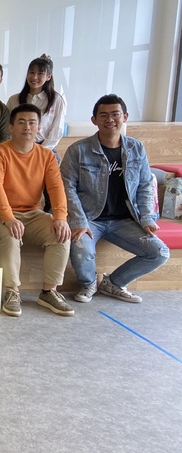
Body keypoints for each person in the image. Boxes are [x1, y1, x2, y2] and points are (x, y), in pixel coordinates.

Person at [60, 94, 169, 304]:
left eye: (115, 114)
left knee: (160, 252)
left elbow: (146, 185)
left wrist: (147, 218)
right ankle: (88, 283)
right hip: (89, 218)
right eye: (103, 115)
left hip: (125, 220)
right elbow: (67, 187)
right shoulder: (78, 150)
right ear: (94, 120)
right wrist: (79, 221)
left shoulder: (136, 148)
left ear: (125, 117)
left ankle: (114, 283)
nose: (110, 119)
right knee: (81, 250)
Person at [0, 104, 73, 317]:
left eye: (32, 123)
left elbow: (56, 188)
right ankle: (12, 291)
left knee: (60, 235)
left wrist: (60, 217)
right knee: (10, 236)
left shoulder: (47, 156)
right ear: (11, 127)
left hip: (33, 213)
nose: (27, 127)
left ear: (39, 127)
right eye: (21, 122)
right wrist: (8, 217)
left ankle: (49, 291)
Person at [6, 55, 67, 152]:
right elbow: (7, 127)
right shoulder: (14, 99)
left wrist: (40, 151)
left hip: (44, 148)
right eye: (32, 72)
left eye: (40, 73)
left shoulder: (56, 100)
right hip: (16, 148)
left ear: (48, 77)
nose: (34, 77)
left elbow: (57, 130)